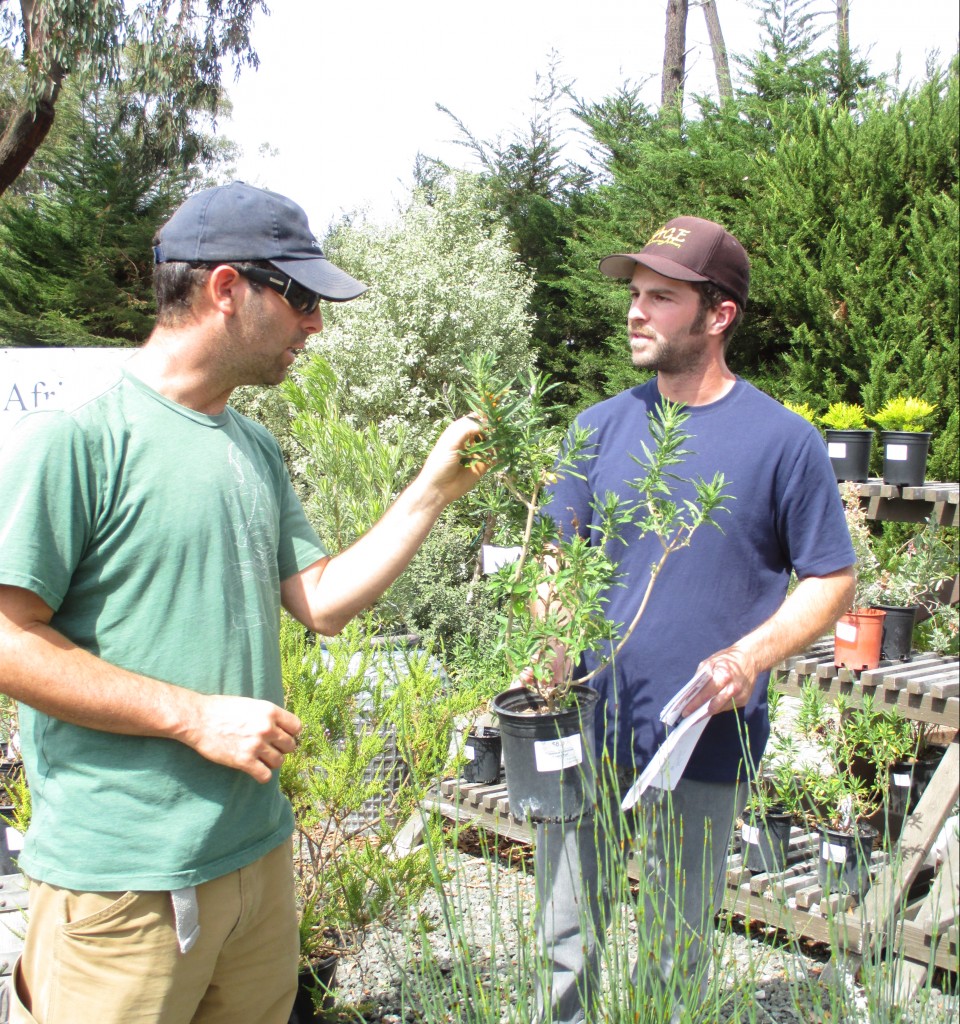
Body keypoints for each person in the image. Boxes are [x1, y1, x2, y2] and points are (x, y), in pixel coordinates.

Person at [0, 182, 485, 1024]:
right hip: (128, 885)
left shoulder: (251, 445)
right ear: (226, 289)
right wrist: (193, 716)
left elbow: (324, 601)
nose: (315, 325)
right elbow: (8, 639)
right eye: (299, 297)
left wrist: (431, 493)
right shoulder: (80, 440)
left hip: (256, 863)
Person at [535, 216, 856, 1022]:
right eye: (635, 294)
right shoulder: (598, 428)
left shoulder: (784, 442)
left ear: (719, 316)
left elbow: (831, 579)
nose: (635, 312)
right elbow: (552, 556)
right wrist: (546, 638)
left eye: (661, 297)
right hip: (588, 723)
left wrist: (749, 657)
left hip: (702, 735)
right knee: (563, 936)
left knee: (676, 948)